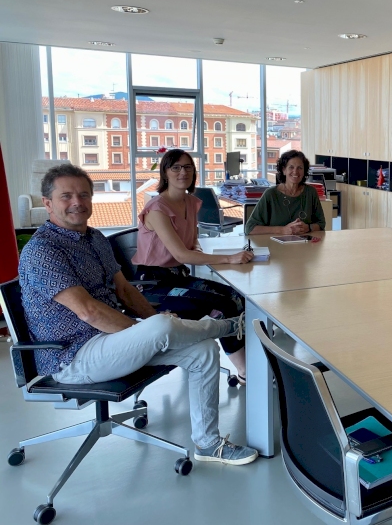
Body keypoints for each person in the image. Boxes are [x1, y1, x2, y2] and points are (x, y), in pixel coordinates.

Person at [18, 164, 257, 465]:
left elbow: (126, 292)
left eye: (83, 194)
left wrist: (155, 319)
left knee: (203, 351)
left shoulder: (95, 239)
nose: (77, 202)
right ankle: (226, 327)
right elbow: (88, 311)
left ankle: (208, 444)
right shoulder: (43, 250)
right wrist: (144, 330)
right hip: (72, 357)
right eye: (66, 196)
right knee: (160, 328)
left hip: (112, 344)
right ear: (48, 203)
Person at [132, 149, 253, 384]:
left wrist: (207, 255)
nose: (182, 172)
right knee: (224, 304)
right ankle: (246, 371)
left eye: (187, 167)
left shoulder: (190, 201)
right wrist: (229, 259)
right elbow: (181, 253)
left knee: (238, 297)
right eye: (175, 167)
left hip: (178, 277)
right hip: (152, 284)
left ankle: (249, 359)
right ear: (165, 172)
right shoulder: (157, 208)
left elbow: (191, 245)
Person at [245, 150, 325, 235]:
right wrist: (282, 230)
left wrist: (308, 228)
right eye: (291, 167)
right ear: (284, 170)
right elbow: (250, 228)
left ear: (304, 171)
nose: (295, 171)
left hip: (306, 245)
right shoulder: (271, 194)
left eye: (300, 168)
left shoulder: (311, 192)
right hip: (276, 246)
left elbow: (321, 224)